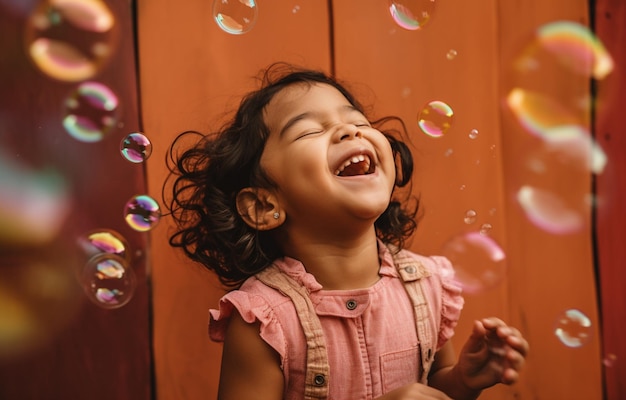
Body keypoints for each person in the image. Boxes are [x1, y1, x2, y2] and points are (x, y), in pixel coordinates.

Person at [166, 63, 529, 399]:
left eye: (358, 121)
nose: (349, 130)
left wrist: (462, 380)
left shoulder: (426, 285)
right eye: (309, 130)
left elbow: (434, 384)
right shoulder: (265, 321)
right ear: (264, 206)